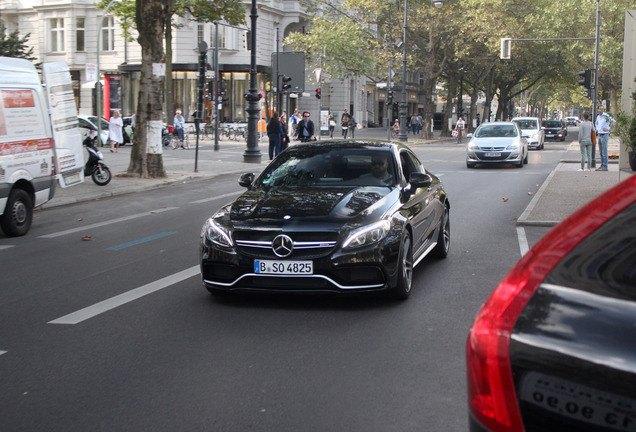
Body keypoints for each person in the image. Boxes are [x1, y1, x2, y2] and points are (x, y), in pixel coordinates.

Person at [594, 106, 615, 171]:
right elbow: (596, 123)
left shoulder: (606, 116)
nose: (602, 110)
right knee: (600, 151)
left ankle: (605, 166)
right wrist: (597, 129)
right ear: (598, 110)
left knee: (604, 151)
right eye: (600, 109)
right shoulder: (598, 117)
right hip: (600, 134)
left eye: (603, 109)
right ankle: (602, 165)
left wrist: (608, 129)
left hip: (604, 134)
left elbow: (613, 122)